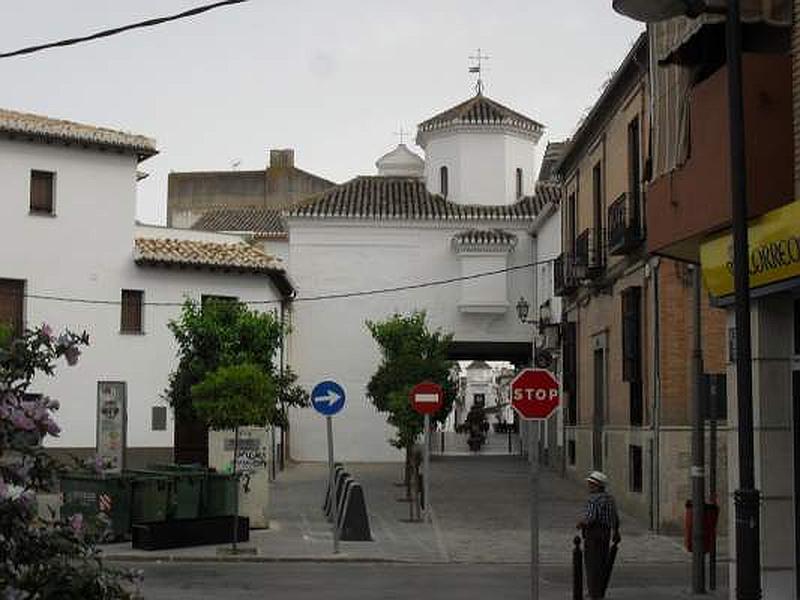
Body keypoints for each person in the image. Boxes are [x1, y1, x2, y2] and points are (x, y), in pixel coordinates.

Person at [577, 471, 621, 599]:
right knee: (602, 562)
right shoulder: (610, 499)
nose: (589, 486)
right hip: (605, 533)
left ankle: (593, 592)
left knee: (591, 564)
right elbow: (615, 518)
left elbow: (591, 518)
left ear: (597, 486)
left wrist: (581, 523)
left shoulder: (593, 499)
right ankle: (600, 590)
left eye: (591, 484)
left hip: (593, 533)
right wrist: (616, 531)